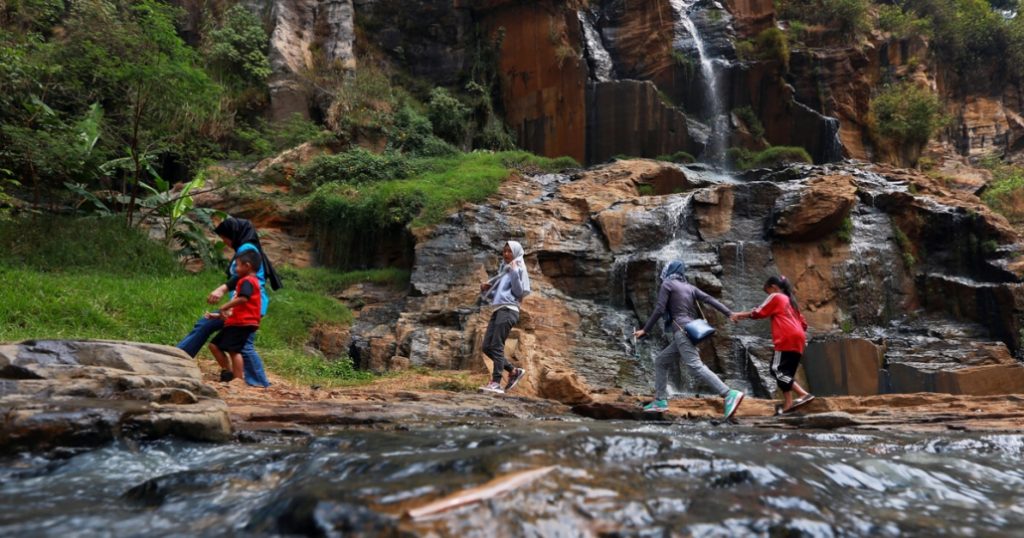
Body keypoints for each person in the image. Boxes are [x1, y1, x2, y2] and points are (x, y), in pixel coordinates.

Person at [177, 217, 281, 387]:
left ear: (234, 234)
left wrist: (227, 296)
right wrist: (226, 292)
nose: (224, 242)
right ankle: (181, 356)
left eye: (224, 237)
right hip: (243, 304)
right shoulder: (246, 247)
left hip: (247, 305)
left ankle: (259, 383)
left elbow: (248, 280)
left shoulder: (247, 248)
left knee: (243, 346)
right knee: (207, 325)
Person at [633, 260, 745, 419]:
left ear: (669, 270)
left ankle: (728, 393)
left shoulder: (668, 284)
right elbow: (710, 299)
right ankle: (660, 401)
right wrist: (729, 313)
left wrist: (645, 329)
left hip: (682, 331)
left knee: (694, 365)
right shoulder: (689, 287)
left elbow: (659, 309)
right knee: (661, 361)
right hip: (689, 331)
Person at [731, 275, 813, 415]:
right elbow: (804, 324)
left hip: (786, 337)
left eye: (767, 292)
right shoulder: (791, 302)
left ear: (773, 287)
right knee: (786, 374)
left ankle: (804, 394)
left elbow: (759, 312)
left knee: (775, 370)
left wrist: (739, 314)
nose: (768, 295)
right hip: (799, 339)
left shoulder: (776, 296)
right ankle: (788, 404)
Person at [478, 241, 531, 394]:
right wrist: (485, 289)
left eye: (510, 251)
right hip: (499, 309)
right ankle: (513, 371)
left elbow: (519, 292)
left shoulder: (519, 268)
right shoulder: (505, 271)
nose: (506, 254)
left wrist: (514, 272)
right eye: (505, 251)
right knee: (487, 347)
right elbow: (498, 296)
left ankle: (496, 382)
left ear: (516, 252)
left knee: (497, 345)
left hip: (509, 310)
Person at [208, 250, 263, 382]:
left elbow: (243, 299)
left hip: (242, 323)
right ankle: (228, 372)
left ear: (247, 266)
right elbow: (241, 306)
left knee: (234, 351)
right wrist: (218, 315)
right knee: (214, 345)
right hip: (236, 322)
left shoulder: (248, 281)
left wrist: (224, 306)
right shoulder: (247, 281)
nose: (235, 269)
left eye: (237, 265)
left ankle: (237, 380)